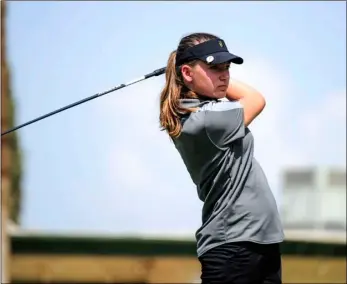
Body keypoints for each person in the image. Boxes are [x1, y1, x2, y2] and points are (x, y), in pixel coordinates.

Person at [159, 32, 285, 284]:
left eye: (227, 67)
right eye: (215, 67)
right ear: (186, 73)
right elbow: (255, 99)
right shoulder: (209, 119)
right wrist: (185, 69)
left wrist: (196, 72)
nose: (225, 75)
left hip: (255, 242)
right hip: (234, 247)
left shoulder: (199, 113)